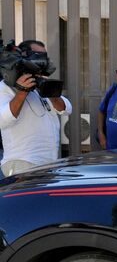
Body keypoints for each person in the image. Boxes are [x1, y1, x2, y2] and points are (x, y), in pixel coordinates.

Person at [0, 40, 72, 176]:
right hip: (22, 164)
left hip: (49, 163)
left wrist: (50, 92)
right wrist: (22, 91)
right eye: (38, 55)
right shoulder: (4, 88)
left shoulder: (39, 84)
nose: (42, 60)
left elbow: (66, 109)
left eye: (44, 56)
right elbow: (3, 120)